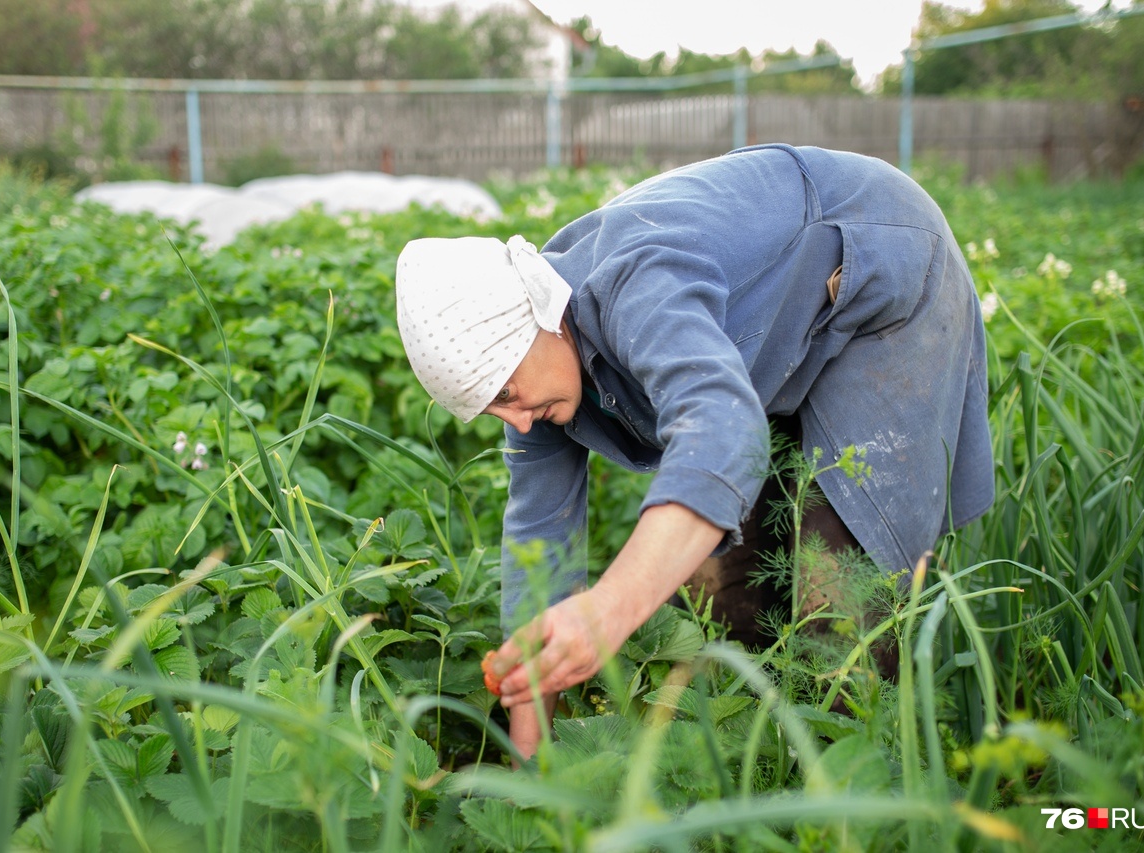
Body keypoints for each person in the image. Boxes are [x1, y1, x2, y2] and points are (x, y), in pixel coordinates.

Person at [394, 144, 995, 758]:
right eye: (491, 410)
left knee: (838, 598)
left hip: (879, 270)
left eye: (507, 394)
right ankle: (742, 775)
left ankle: (846, 795)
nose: (515, 423)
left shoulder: (638, 284)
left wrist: (607, 612)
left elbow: (721, 430)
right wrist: (528, 759)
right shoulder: (535, 381)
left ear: (542, 321)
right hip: (774, 328)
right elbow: (538, 546)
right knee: (715, 603)